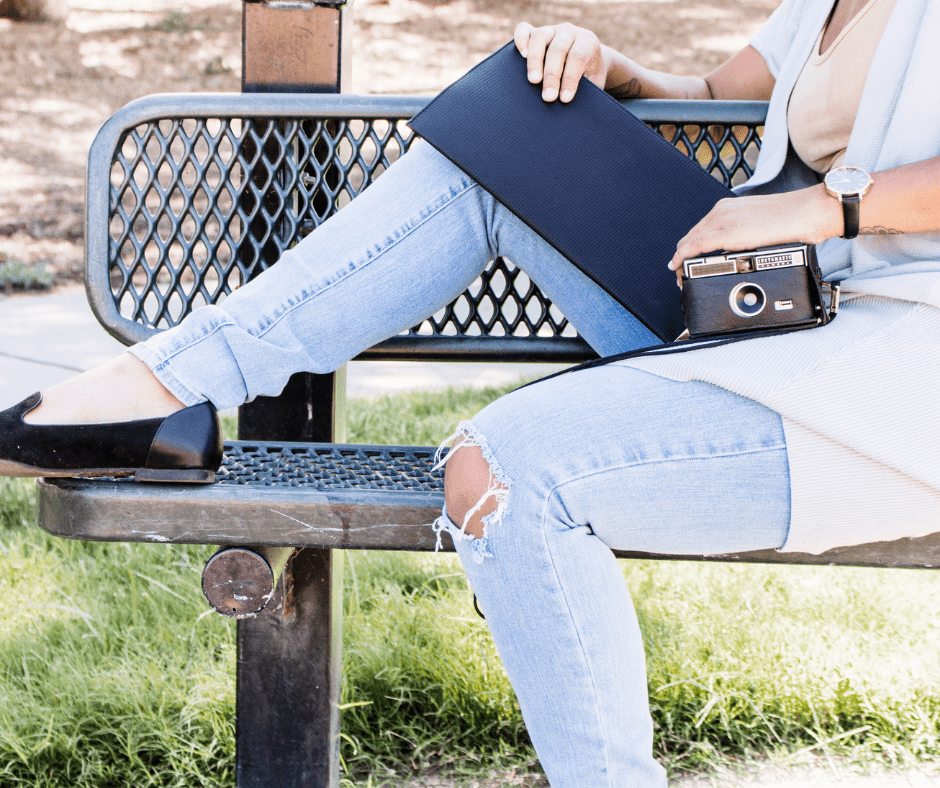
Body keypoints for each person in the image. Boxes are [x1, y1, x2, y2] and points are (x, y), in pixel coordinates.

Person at [2, 0, 939, 783]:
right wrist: (617, 71)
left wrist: (828, 205)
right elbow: (709, 96)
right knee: (506, 133)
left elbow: (832, 192)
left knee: (512, 471)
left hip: (892, 370)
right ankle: (161, 383)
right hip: (777, 306)